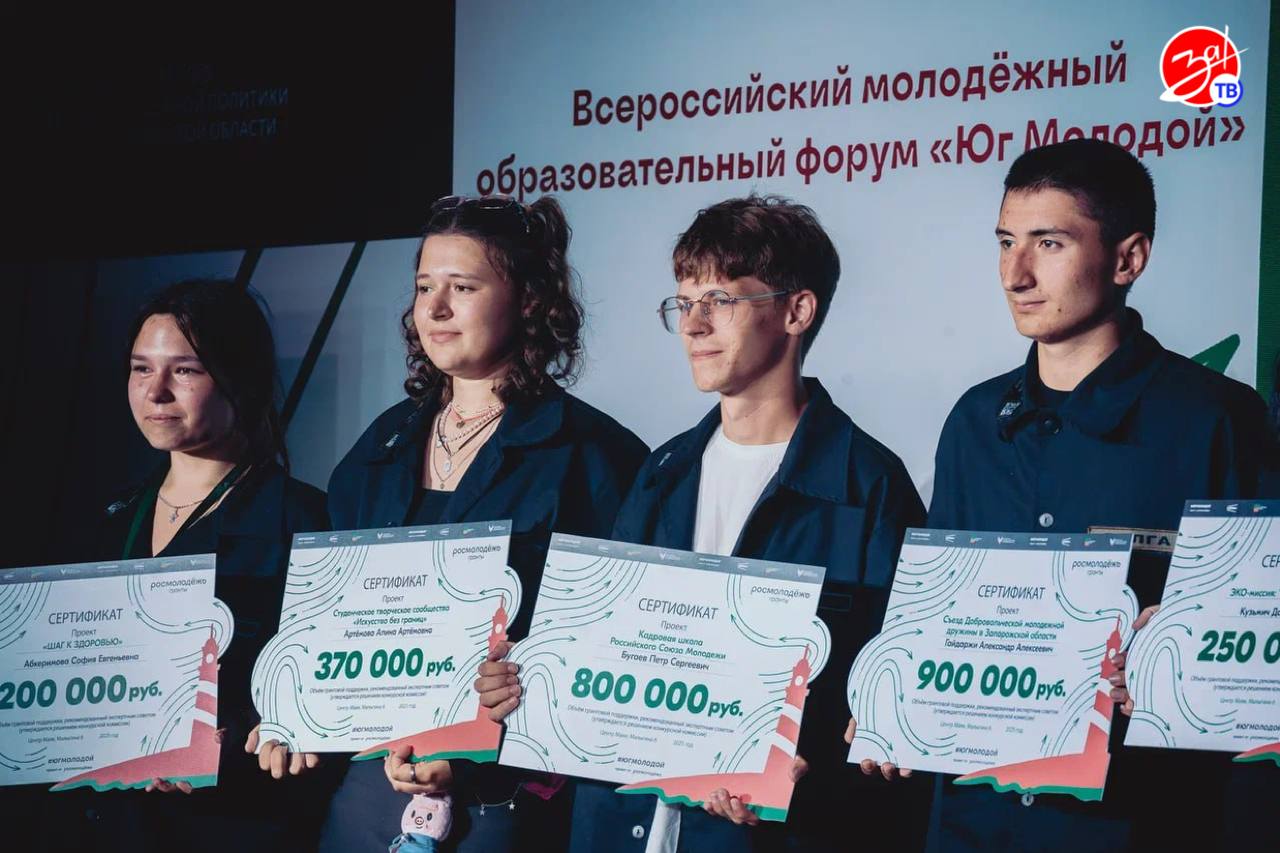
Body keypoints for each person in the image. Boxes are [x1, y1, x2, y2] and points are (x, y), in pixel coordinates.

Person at [478, 195, 929, 852]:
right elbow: (605, 656)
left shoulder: (870, 487)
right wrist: (527, 678)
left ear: (797, 311)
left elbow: (896, 704)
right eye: (683, 303)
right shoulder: (658, 473)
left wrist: (817, 775)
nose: (693, 325)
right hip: (622, 830)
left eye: (719, 300)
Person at [920, 138, 1276, 852]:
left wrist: (1191, 651)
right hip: (973, 819)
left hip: (1143, 820)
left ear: (1128, 258)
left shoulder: (1218, 419)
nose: (1016, 274)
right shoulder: (974, 422)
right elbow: (936, 617)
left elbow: (1258, 647)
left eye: (1049, 243)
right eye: (1006, 242)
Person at [313, 194, 648, 852]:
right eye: (424, 287)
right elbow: (327, 625)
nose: (435, 309)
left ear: (529, 299)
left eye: (462, 287)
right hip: (370, 793)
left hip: (507, 805)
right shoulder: (377, 448)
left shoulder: (597, 457)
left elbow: (618, 656)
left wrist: (494, 734)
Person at [32, 279, 331, 853]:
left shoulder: (305, 520)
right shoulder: (110, 522)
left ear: (240, 381)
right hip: (108, 827)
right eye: (141, 369)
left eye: (185, 370)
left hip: (236, 826)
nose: (156, 392)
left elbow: (323, 693)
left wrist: (232, 738)